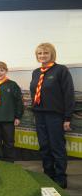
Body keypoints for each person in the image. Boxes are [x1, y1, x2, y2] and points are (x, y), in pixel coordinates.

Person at [30, 43, 75, 189]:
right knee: (44, 146)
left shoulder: (61, 70)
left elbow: (68, 94)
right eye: (40, 53)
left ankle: (61, 177)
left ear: (52, 54)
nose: (42, 56)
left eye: (45, 53)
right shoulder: (36, 72)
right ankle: (48, 174)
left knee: (57, 147)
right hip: (39, 115)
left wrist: (67, 117)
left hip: (55, 116)